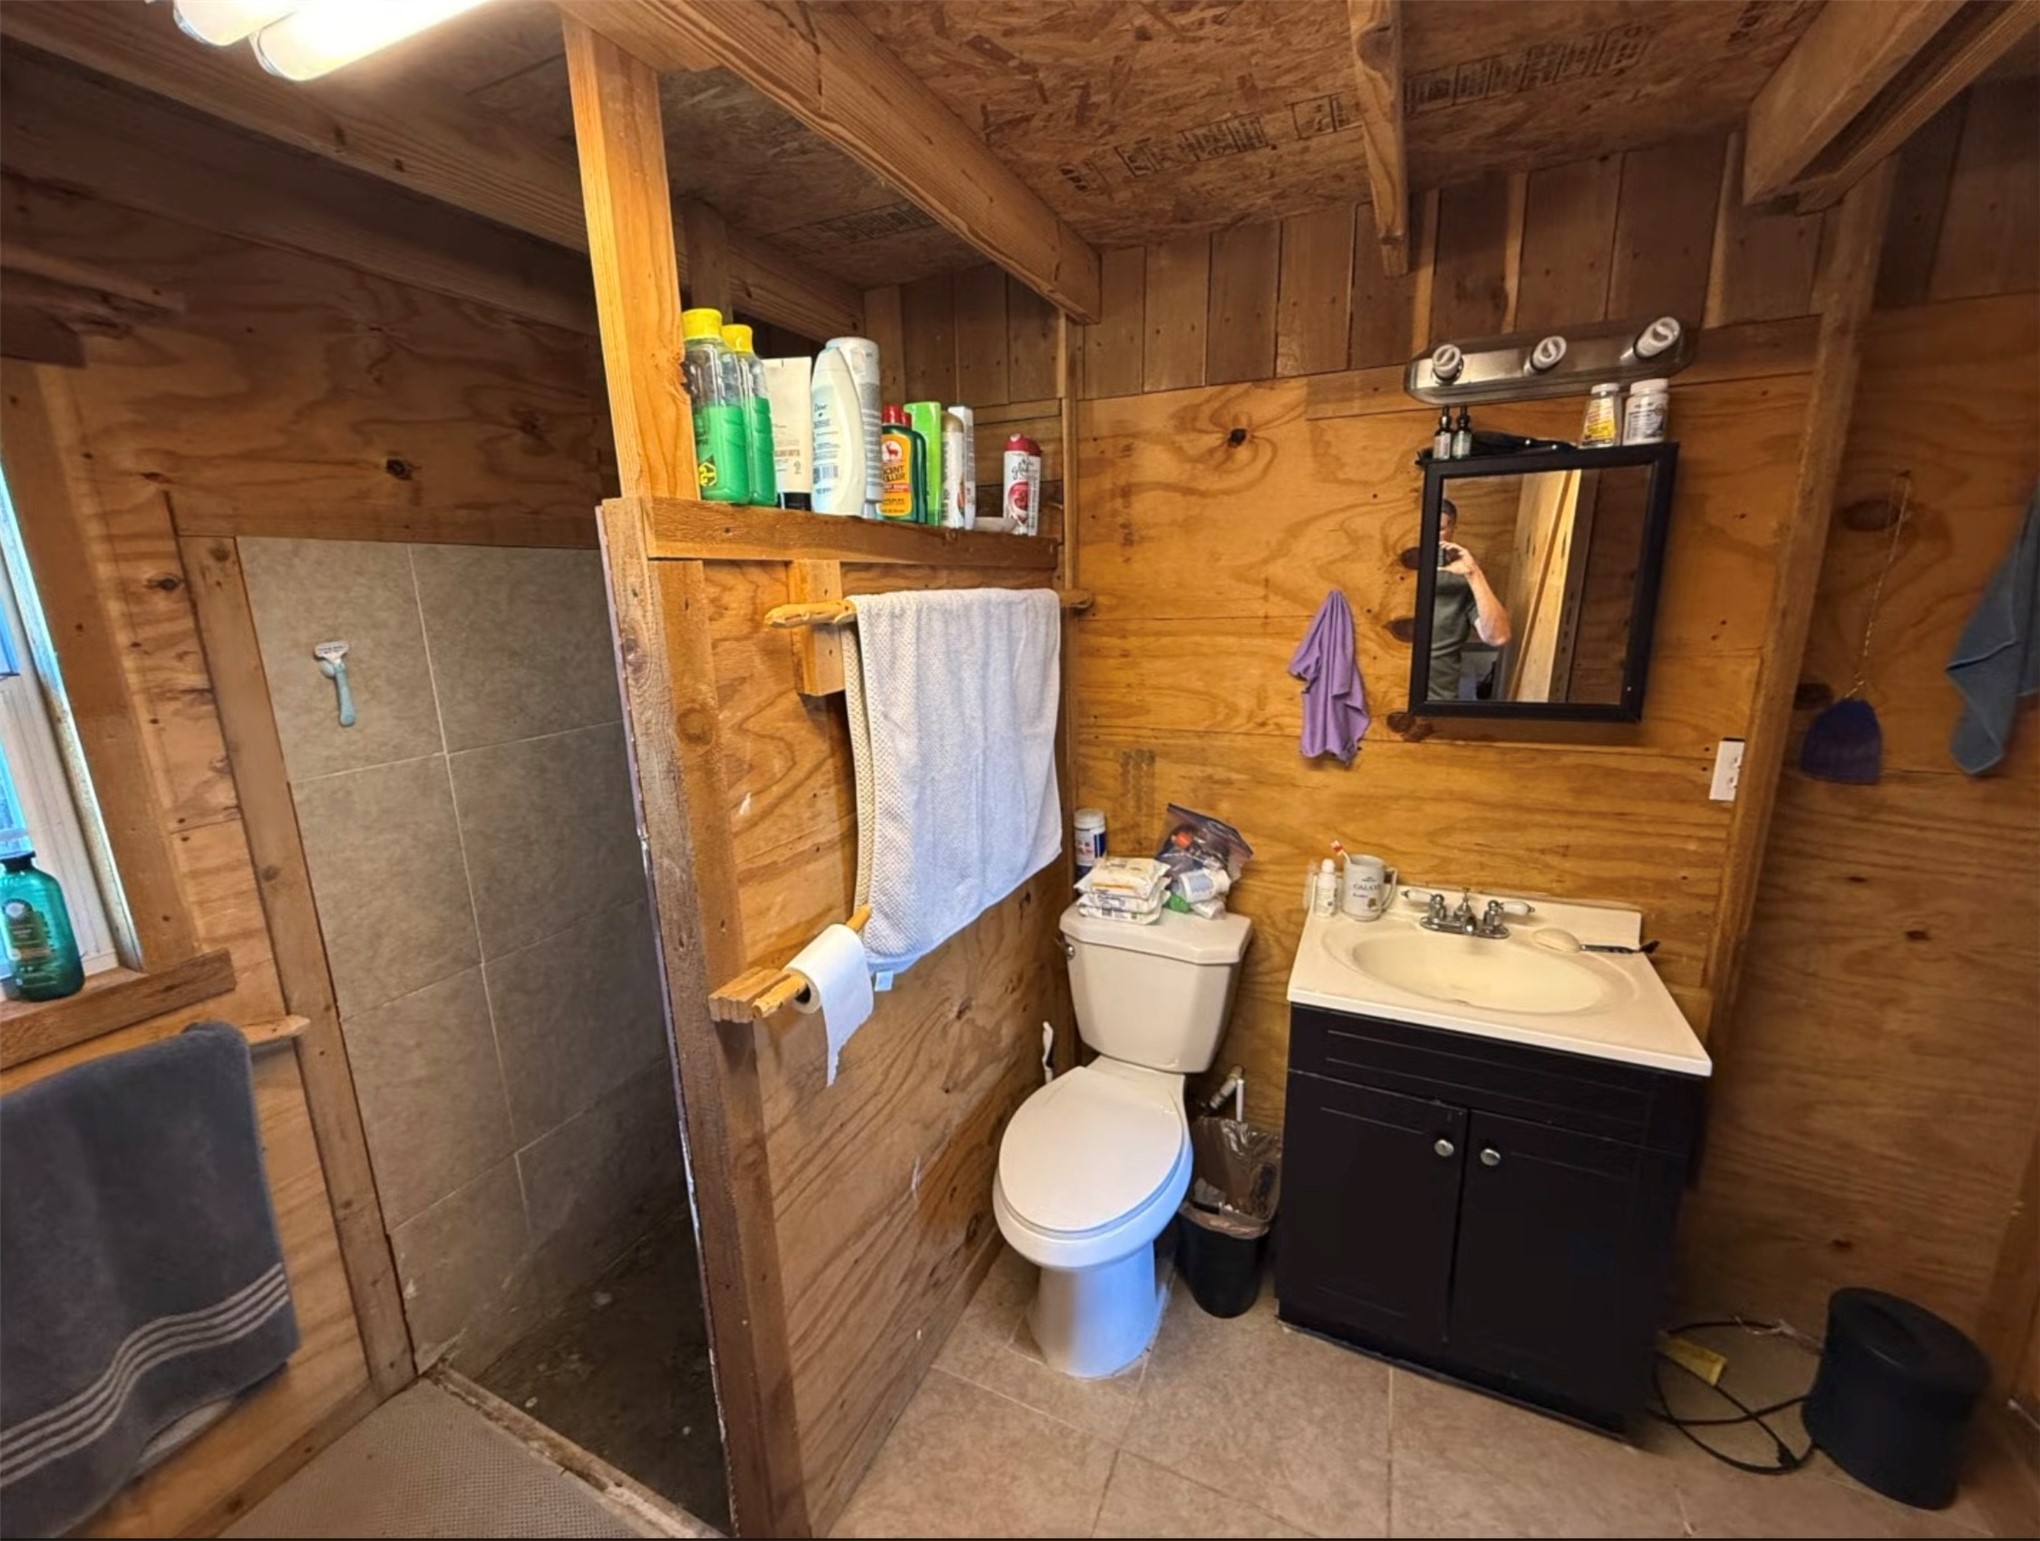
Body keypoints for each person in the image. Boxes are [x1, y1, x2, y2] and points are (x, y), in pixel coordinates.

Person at [1429, 498, 1513, 701]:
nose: (1428, 535)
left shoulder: (1461, 581)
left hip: (1435, 702)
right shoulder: (1389, 574)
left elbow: (1498, 637)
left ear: (1451, 531)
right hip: (1381, 689)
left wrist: (1473, 574)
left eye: (1438, 528)